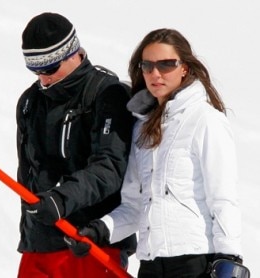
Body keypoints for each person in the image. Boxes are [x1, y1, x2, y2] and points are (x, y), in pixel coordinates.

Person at [68, 28, 246, 277]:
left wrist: (229, 258)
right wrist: (100, 229)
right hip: (151, 264)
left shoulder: (205, 120)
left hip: (195, 263)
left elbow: (223, 198)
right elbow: (134, 205)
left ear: (185, 67)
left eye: (166, 64)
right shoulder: (142, 127)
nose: (155, 73)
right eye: (148, 65)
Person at [15, 12, 136, 277]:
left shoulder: (107, 94)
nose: (43, 79)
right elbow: (28, 173)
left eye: (49, 69)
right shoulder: (29, 102)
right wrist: (30, 232)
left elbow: (111, 167)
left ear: (72, 53)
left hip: (88, 243)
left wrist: (60, 201)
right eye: (35, 71)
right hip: (39, 245)